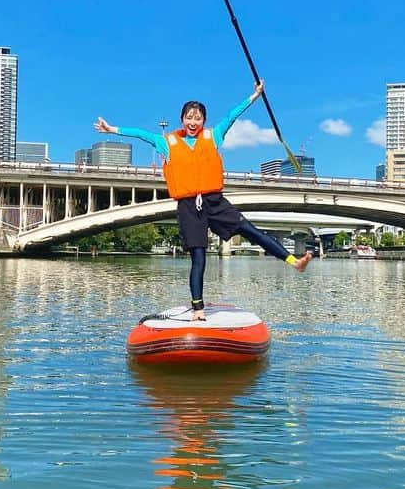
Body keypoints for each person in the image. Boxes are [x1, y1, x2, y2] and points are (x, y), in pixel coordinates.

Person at [94, 80, 311, 321]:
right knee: (199, 257)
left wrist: (255, 95)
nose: (193, 122)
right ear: (182, 119)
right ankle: (198, 309)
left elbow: (232, 115)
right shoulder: (167, 142)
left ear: (203, 121)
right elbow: (142, 135)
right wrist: (112, 130)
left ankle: (295, 261)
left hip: (215, 201)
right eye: (189, 117)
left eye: (197, 118)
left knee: (250, 230)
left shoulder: (213, 136)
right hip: (189, 206)